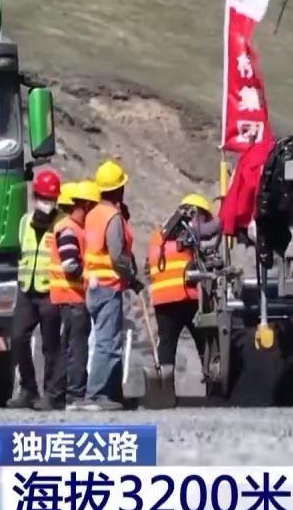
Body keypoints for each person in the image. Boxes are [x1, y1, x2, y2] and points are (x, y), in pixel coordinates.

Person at [145, 194, 222, 408]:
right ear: (196, 212)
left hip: (162, 300)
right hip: (186, 297)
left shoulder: (158, 235)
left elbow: (148, 268)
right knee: (205, 342)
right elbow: (211, 229)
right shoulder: (189, 226)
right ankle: (214, 388)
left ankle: (164, 393)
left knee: (166, 346)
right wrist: (225, 215)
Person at [81, 159, 142, 411]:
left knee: (107, 339)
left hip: (92, 285)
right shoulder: (113, 217)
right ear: (118, 189)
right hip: (108, 285)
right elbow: (117, 255)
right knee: (108, 342)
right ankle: (96, 394)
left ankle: (112, 393)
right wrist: (132, 279)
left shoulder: (93, 214)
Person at [7, 169, 64, 410]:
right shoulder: (24, 223)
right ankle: (28, 389)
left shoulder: (62, 224)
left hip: (51, 292)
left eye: (51, 198)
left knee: (51, 346)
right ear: (35, 196)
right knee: (17, 337)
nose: (47, 203)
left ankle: (52, 394)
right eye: (43, 197)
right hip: (27, 290)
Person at [48, 180, 101, 411]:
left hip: (69, 298)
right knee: (77, 349)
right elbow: (70, 264)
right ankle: (76, 395)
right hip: (71, 297)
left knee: (67, 348)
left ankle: (58, 395)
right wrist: (88, 277)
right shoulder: (69, 229)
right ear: (86, 205)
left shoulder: (73, 228)